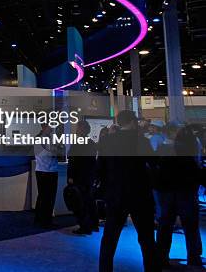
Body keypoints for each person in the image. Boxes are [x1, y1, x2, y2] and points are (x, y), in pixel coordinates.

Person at [97, 110, 159, 272]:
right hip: (139, 195)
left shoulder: (106, 141)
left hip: (115, 195)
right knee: (146, 239)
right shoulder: (141, 140)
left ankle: (105, 269)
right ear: (132, 122)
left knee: (109, 238)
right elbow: (153, 163)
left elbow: (100, 168)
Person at [154, 125, 202, 267]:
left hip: (167, 194)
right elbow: (196, 174)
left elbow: (159, 174)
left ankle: (162, 257)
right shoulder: (189, 154)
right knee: (190, 226)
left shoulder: (165, 151)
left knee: (165, 226)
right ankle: (194, 258)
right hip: (186, 194)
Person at [67, 120, 98, 235]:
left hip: (79, 178)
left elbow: (72, 161)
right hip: (89, 177)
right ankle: (94, 224)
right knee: (90, 201)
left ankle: (85, 227)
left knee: (80, 202)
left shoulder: (77, 144)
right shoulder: (92, 143)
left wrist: (70, 176)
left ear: (80, 129)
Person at [34, 123, 63, 228]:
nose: (52, 128)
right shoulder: (40, 139)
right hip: (45, 171)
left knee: (44, 196)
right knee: (47, 197)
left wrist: (56, 150)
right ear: (44, 127)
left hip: (47, 170)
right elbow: (45, 154)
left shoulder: (49, 138)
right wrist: (56, 151)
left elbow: (58, 151)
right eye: (50, 126)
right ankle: (45, 221)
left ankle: (41, 218)